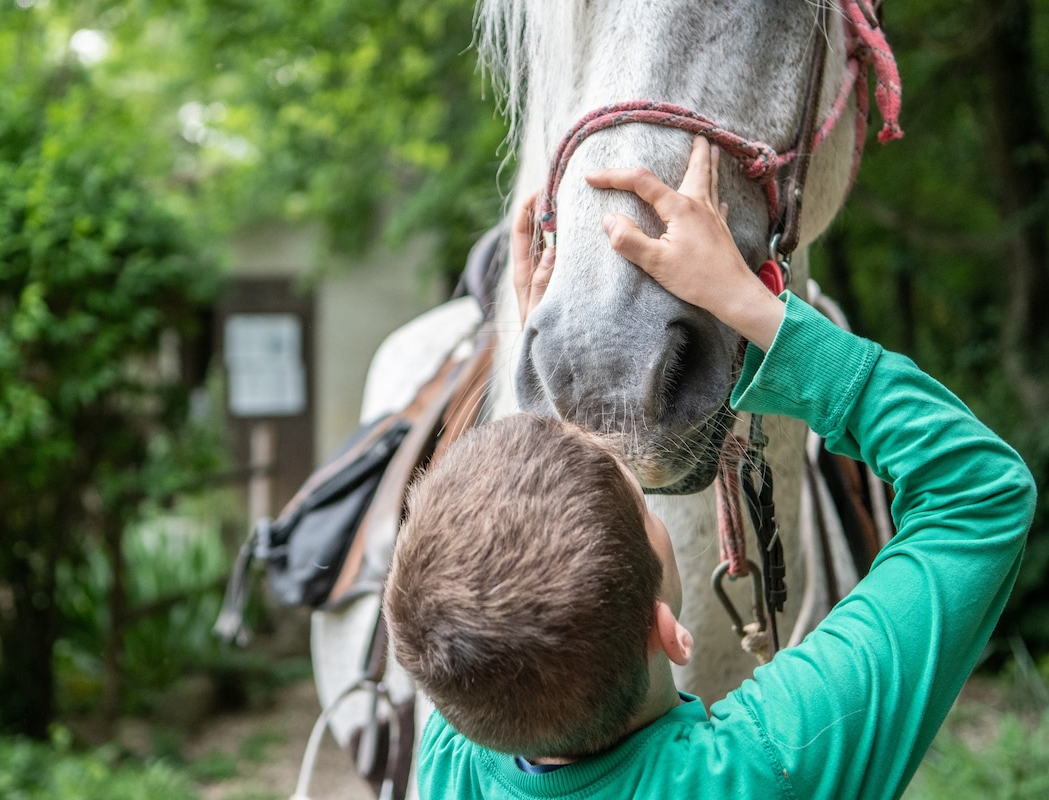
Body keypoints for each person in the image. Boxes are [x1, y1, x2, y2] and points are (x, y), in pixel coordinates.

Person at [382, 136, 1037, 798]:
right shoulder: (776, 763)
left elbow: (487, 600)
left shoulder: (455, 747)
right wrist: (749, 307)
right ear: (671, 634)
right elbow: (979, 493)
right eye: (642, 505)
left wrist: (556, 377)